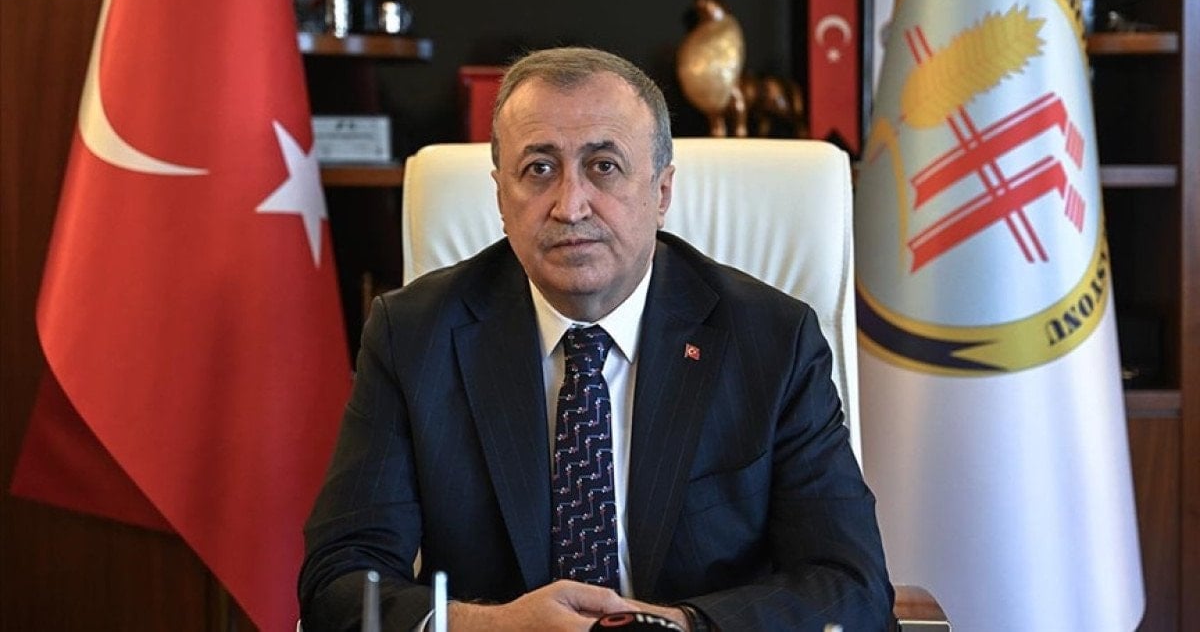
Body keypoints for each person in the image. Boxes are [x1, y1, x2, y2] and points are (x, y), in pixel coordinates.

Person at [299, 47, 893, 631]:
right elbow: (339, 580)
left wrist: (676, 627)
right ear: (501, 197)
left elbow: (849, 583)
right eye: (539, 169)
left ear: (661, 192)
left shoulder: (771, 341)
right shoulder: (414, 336)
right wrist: (491, 627)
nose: (570, 205)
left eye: (604, 166)